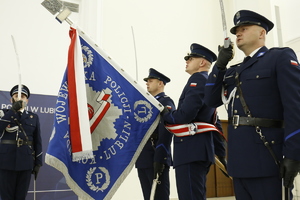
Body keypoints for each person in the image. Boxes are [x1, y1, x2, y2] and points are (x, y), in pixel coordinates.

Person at [204, 10, 300, 200]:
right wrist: (220, 66)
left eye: (244, 28)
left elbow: (295, 107)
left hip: (268, 158)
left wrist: (294, 154)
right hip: (240, 163)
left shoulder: (279, 58)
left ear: (262, 33)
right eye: (236, 30)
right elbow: (211, 100)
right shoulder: (234, 71)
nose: (238, 33)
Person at [161, 43, 227, 200]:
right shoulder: (208, 83)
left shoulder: (198, 80)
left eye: (190, 58)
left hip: (190, 149)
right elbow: (215, 121)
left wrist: (167, 114)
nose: (187, 61)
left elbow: (185, 115)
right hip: (200, 150)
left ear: (202, 62)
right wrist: (220, 152)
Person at [135, 68, 176, 200]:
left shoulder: (165, 103)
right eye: (147, 81)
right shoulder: (146, 103)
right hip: (143, 158)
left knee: (159, 196)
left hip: (156, 156)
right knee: (148, 196)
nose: (147, 83)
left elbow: (166, 132)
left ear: (160, 83)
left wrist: (160, 158)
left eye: (151, 81)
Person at [0, 84, 42, 200]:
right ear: (11, 99)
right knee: (6, 197)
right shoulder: (3, 114)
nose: (19, 98)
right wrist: (13, 110)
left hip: (25, 162)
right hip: (5, 162)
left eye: (23, 96)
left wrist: (38, 162)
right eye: (16, 96)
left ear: (27, 100)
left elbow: (37, 141)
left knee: (21, 197)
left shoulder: (33, 117)